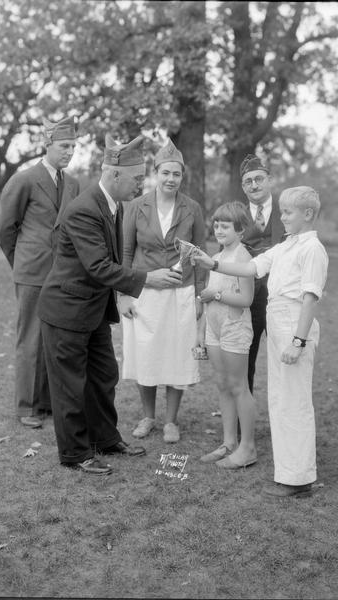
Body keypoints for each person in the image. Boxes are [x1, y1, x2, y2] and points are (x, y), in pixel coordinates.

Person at [38, 133, 182, 475]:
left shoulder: (113, 204)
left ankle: (104, 439)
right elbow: (99, 266)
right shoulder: (84, 209)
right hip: (66, 312)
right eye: (135, 179)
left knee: (104, 376)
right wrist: (147, 279)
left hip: (93, 311)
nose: (139, 185)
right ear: (114, 175)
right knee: (70, 384)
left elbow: (106, 262)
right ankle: (75, 453)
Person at [193, 186, 328, 497]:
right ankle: (289, 473)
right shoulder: (285, 246)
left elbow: (309, 299)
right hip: (279, 323)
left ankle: (299, 478)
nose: (282, 217)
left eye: (288, 212)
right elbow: (252, 268)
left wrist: (298, 341)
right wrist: (211, 264)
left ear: (307, 214)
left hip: (295, 325)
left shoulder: (312, 249)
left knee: (294, 402)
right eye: (281, 211)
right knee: (280, 400)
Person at [0, 116, 80, 428]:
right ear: (48, 145)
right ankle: (27, 407)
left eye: (73, 146)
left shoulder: (73, 183)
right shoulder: (24, 179)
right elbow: (5, 229)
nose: (69, 152)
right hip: (31, 273)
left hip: (61, 275)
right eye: (64, 146)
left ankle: (46, 403)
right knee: (29, 338)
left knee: (52, 339)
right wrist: (21, 262)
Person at [120, 138, 207, 444]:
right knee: (146, 354)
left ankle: (171, 420)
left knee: (175, 355)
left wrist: (199, 296)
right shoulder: (135, 207)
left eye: (177, 174)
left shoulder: (192, 208)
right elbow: (126, 253)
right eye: (166, 172)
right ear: (155, 173)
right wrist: (124, 293)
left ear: (183, 177)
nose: (171, 179)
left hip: (180, 292)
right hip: (144, 290)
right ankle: (147, 417)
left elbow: (199, 254)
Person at [197, 202, 257, 469]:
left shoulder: (243, 258)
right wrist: (201, 331)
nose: (218, 229)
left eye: (226, 226)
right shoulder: (216, 256)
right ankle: (228, 442)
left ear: (241, 230)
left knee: (238, 386)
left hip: (235, 327)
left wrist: (217, 295)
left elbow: (246, 298)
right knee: (222, 384)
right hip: (214, 327)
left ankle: (248, 448)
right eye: (217, 224)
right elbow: (208, 298)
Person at [239, 154, 285, 393]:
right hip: (249, 293)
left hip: (282, 293)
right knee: (245, 354)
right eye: (248, 181)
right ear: (243, 186)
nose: (254, 185)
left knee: (284, 353)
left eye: (259, 179)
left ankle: (285, 421)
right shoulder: (236, 214)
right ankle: (242, 422)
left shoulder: (286, 209)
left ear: (270, 180)